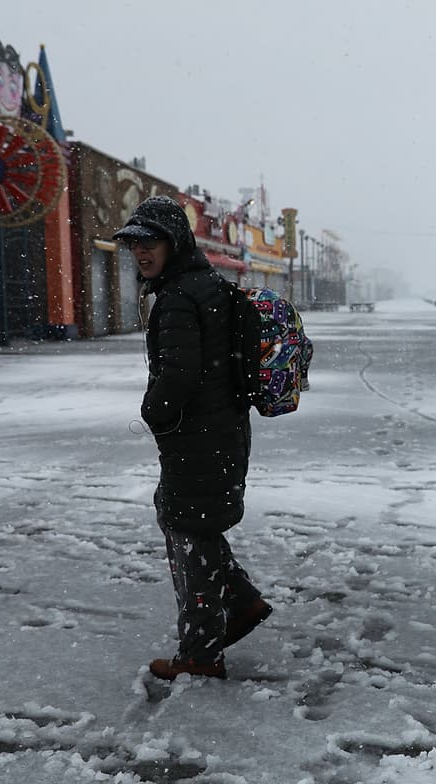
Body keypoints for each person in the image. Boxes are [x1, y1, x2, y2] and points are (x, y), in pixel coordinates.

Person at [113, 195, 272, 680]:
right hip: (223, 431)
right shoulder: (211, 287)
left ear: (174, 243)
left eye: (151, 242)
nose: (141, 252)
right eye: (135, 244)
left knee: (188, 534)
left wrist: (154, 412)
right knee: (193, 523)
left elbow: (180, 375)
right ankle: (241, 604)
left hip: (198, 437)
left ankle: (201, 653)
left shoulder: (180, 297)